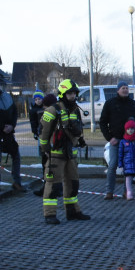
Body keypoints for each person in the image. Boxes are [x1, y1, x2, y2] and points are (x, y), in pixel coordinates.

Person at [39, 79, 91, 224]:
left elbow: (78, 129)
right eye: (69, 93)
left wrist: (80, 140)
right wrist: (45, 149)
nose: (73, 96)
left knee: (73, 184)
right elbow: (44, 133)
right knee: (53, 185)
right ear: (63, 93)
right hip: (56, 154)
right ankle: (49, 214)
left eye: (74, 93)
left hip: (71, 153)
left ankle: (73, 211)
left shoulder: (75, 109)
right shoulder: (52, 110)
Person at [99, 81, 135, 200]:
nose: (125, 90)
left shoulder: (134, 104)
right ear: (118, 90)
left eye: (127, 88)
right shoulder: (110, 104)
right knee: (113, 165)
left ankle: (127, 191)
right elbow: (103, 122)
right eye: (123, 88)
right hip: (116, 140)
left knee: (128, 167)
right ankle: (109, 191)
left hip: (131, 142)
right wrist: (109, 138)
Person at [117, 121, 135, 201]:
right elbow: (120, 154)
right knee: (128, 180)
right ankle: (129, 193)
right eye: (128, 129)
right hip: (127, 165)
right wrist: (121, 165)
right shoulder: (123, 142)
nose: (130, 130)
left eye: (132, 129)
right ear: (126, 130)